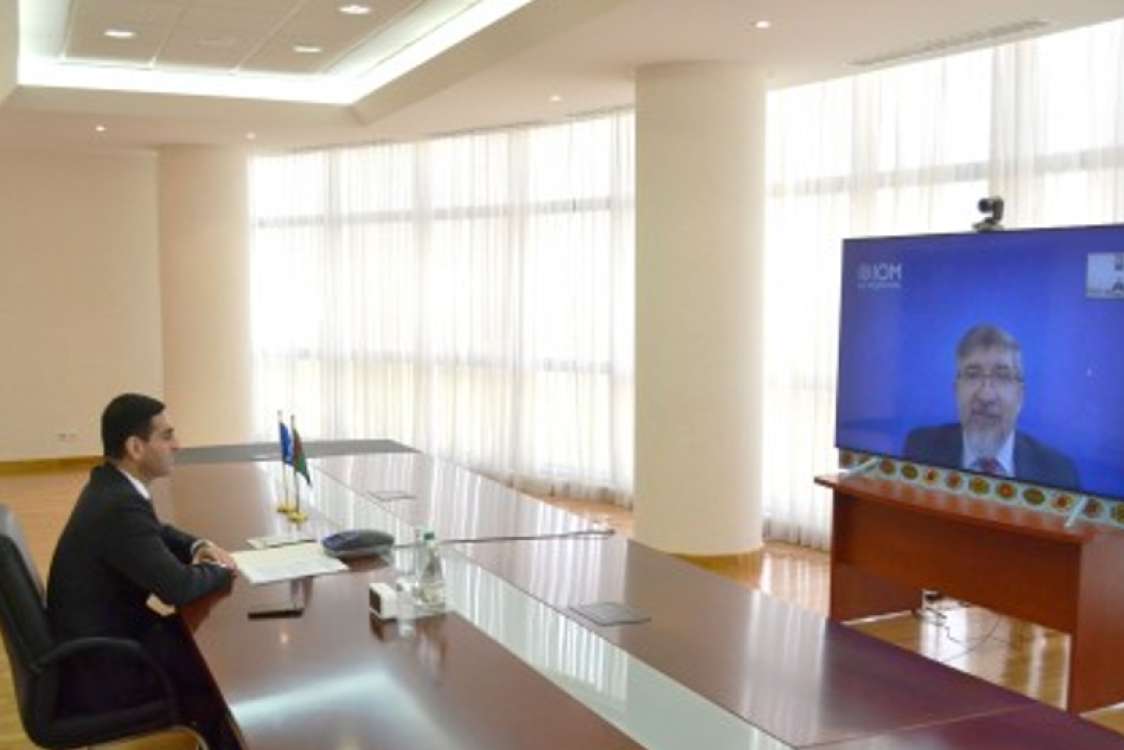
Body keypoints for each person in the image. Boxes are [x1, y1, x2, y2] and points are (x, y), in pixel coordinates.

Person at [47, 393, 239, 748]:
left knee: (211, 649)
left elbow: (155, 530)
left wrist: (197, 545)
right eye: (167, 436)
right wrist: (224, 570)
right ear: (136, 447)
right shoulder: (118, 506)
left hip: (107, 641)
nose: (177, 445)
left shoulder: (111, 486)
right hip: (108, 668)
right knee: (222, 674)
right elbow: (177, 588)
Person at [903, 324, 1079, 488]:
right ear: (956, 391)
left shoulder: (1059, 473)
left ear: (1020, 396)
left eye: (1002, 376)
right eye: (973, 375)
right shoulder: (919, 448)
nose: (986, 396)